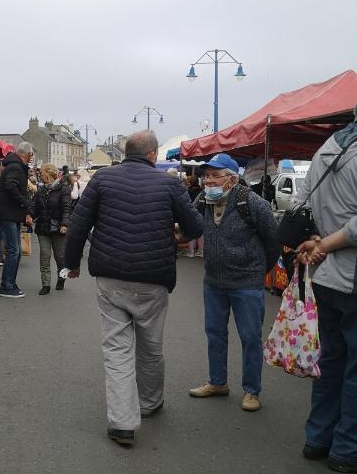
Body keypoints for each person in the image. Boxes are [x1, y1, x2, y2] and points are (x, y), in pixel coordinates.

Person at [64, 130, 203, 446]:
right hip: (153, 278)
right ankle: (150, 402)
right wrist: (176, 234)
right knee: (151, 344)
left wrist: (71, 264)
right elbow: (196, 227)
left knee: (117, 349)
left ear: (126, 152)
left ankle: (123, 423)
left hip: (111, 275)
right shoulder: (170, 184)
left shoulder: (102, 180)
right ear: (153, 154)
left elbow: (78, 226)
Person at [188, 154, 280, 412]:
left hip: (247, 282)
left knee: (250, 338)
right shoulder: (202, 200)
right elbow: (190, 227)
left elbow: (273, 242)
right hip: (213, 281)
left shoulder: (253, 202)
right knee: (214, 334)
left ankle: (252, 390)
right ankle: (218, 382)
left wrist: (258, 270)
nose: (209, 180)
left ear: (232, 178)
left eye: (215, 175)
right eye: (207, 175)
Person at [296, 107, 357, 472]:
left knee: (331, 360)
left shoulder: (328, 146)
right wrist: (328, 244)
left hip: (325, 276)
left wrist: (316, 241)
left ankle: (318, 438)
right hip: (349, 275)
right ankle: (347, 448)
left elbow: (302, 203)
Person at [0, 141, 34, 298]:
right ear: (26, 154)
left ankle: (10, 282)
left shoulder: (13, 165)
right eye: (31, 155)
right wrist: (23, 201)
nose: (31, 158)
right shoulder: (15, 167)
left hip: (11, 213)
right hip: (9, 213)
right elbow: (10, 186)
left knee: (15, 251)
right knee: (14, 251)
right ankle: (6, 285)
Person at [30, 164, 71, 295]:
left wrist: (64, 224)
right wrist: (29, 215)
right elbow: (35, 207)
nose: (39, 175)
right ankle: (45, 285)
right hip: (43, 228)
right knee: (45, 256)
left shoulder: (63, 188)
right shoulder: (40, 190)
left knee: (60, 257)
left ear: (48, 173)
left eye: (41, 173)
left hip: (58, 228)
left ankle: (61, 277)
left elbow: (66, 207)